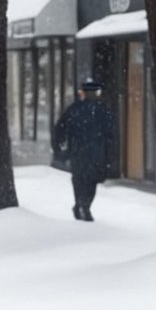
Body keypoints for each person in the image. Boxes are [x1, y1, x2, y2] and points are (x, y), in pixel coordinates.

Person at [52, 78, 116, 221]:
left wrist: (59, 148)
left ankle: (81, 204)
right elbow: (111, 135)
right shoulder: (103, 110)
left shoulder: (76, 108)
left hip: (80, 151)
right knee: (90, 180)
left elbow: (60, 129)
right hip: (94, 151)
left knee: (80, 179)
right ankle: (84, 205)